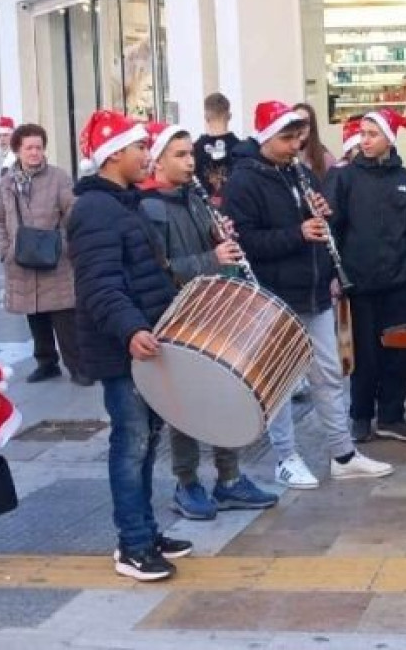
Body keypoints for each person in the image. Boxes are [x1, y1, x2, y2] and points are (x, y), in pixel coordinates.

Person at [222, 100, 395, 490]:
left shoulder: (299, 172)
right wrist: (297, 233)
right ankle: (285, 457)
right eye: (287, 138)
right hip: (274, 296)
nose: (296, 145)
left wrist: (327, 251)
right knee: (281, 383)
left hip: (313, 290)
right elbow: (245, 241)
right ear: (266, 138)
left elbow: (320, 231)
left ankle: (343, 454)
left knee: (329, 375)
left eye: (298, 137)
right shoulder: (244, 181)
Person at [66, 110, 194, 582]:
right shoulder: (95, 210)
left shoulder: (123, 204)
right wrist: (131, 330)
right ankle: (133, 545)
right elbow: (100, 286)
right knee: (131, 443)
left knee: (145, 441)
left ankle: (145, 531)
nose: (148, 156)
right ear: (114, 153)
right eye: (141, 148)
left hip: (143, 342)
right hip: (125, 348)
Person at [136, 123, 280, 521]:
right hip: (176, 317)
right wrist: (211, 259)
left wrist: (222, 242)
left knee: (221, 395)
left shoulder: (196, 199)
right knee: (185, 405)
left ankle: (229, 479)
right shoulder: (149, 207)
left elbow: (211, 250)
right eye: (180, 155)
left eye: (191, 155)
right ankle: (187, 483)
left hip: (212, 309)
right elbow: (158, 270)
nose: (190, 162)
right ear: (159, 160)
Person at [327, 108, 406, 445]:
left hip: (397, 285)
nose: (364, 139)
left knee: (398, 353)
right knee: (363, 354)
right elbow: (333, 230)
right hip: (358, 285)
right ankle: (360, 416)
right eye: (362, 133)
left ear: (389, 139)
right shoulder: (344, 179)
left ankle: (391, 415)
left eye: (372, 134)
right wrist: (337, 274)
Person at [0, 124, 84, 384]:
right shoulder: (7, 182)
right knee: (35, 313)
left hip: (55, 258)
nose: (34, 153)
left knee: (64, 316)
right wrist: (3, 249)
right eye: (29, 148)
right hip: (21, 258)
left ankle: (78, 367)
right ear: (18, 150)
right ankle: (46, 362)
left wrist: (63, 244)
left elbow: (73, 213)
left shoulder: (58, 177)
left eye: (39, 147)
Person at [194, 92, 240, 200]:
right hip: (232, 207)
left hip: (203, 209)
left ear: (206, 117)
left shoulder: (194, 149)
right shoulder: (240, 148)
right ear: (229, 116)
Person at [292, 103, 337, 181]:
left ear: (311, 127)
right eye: (296, 122)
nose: (300, 127)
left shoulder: (325, 158)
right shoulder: (283, 156)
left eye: (305, 122)